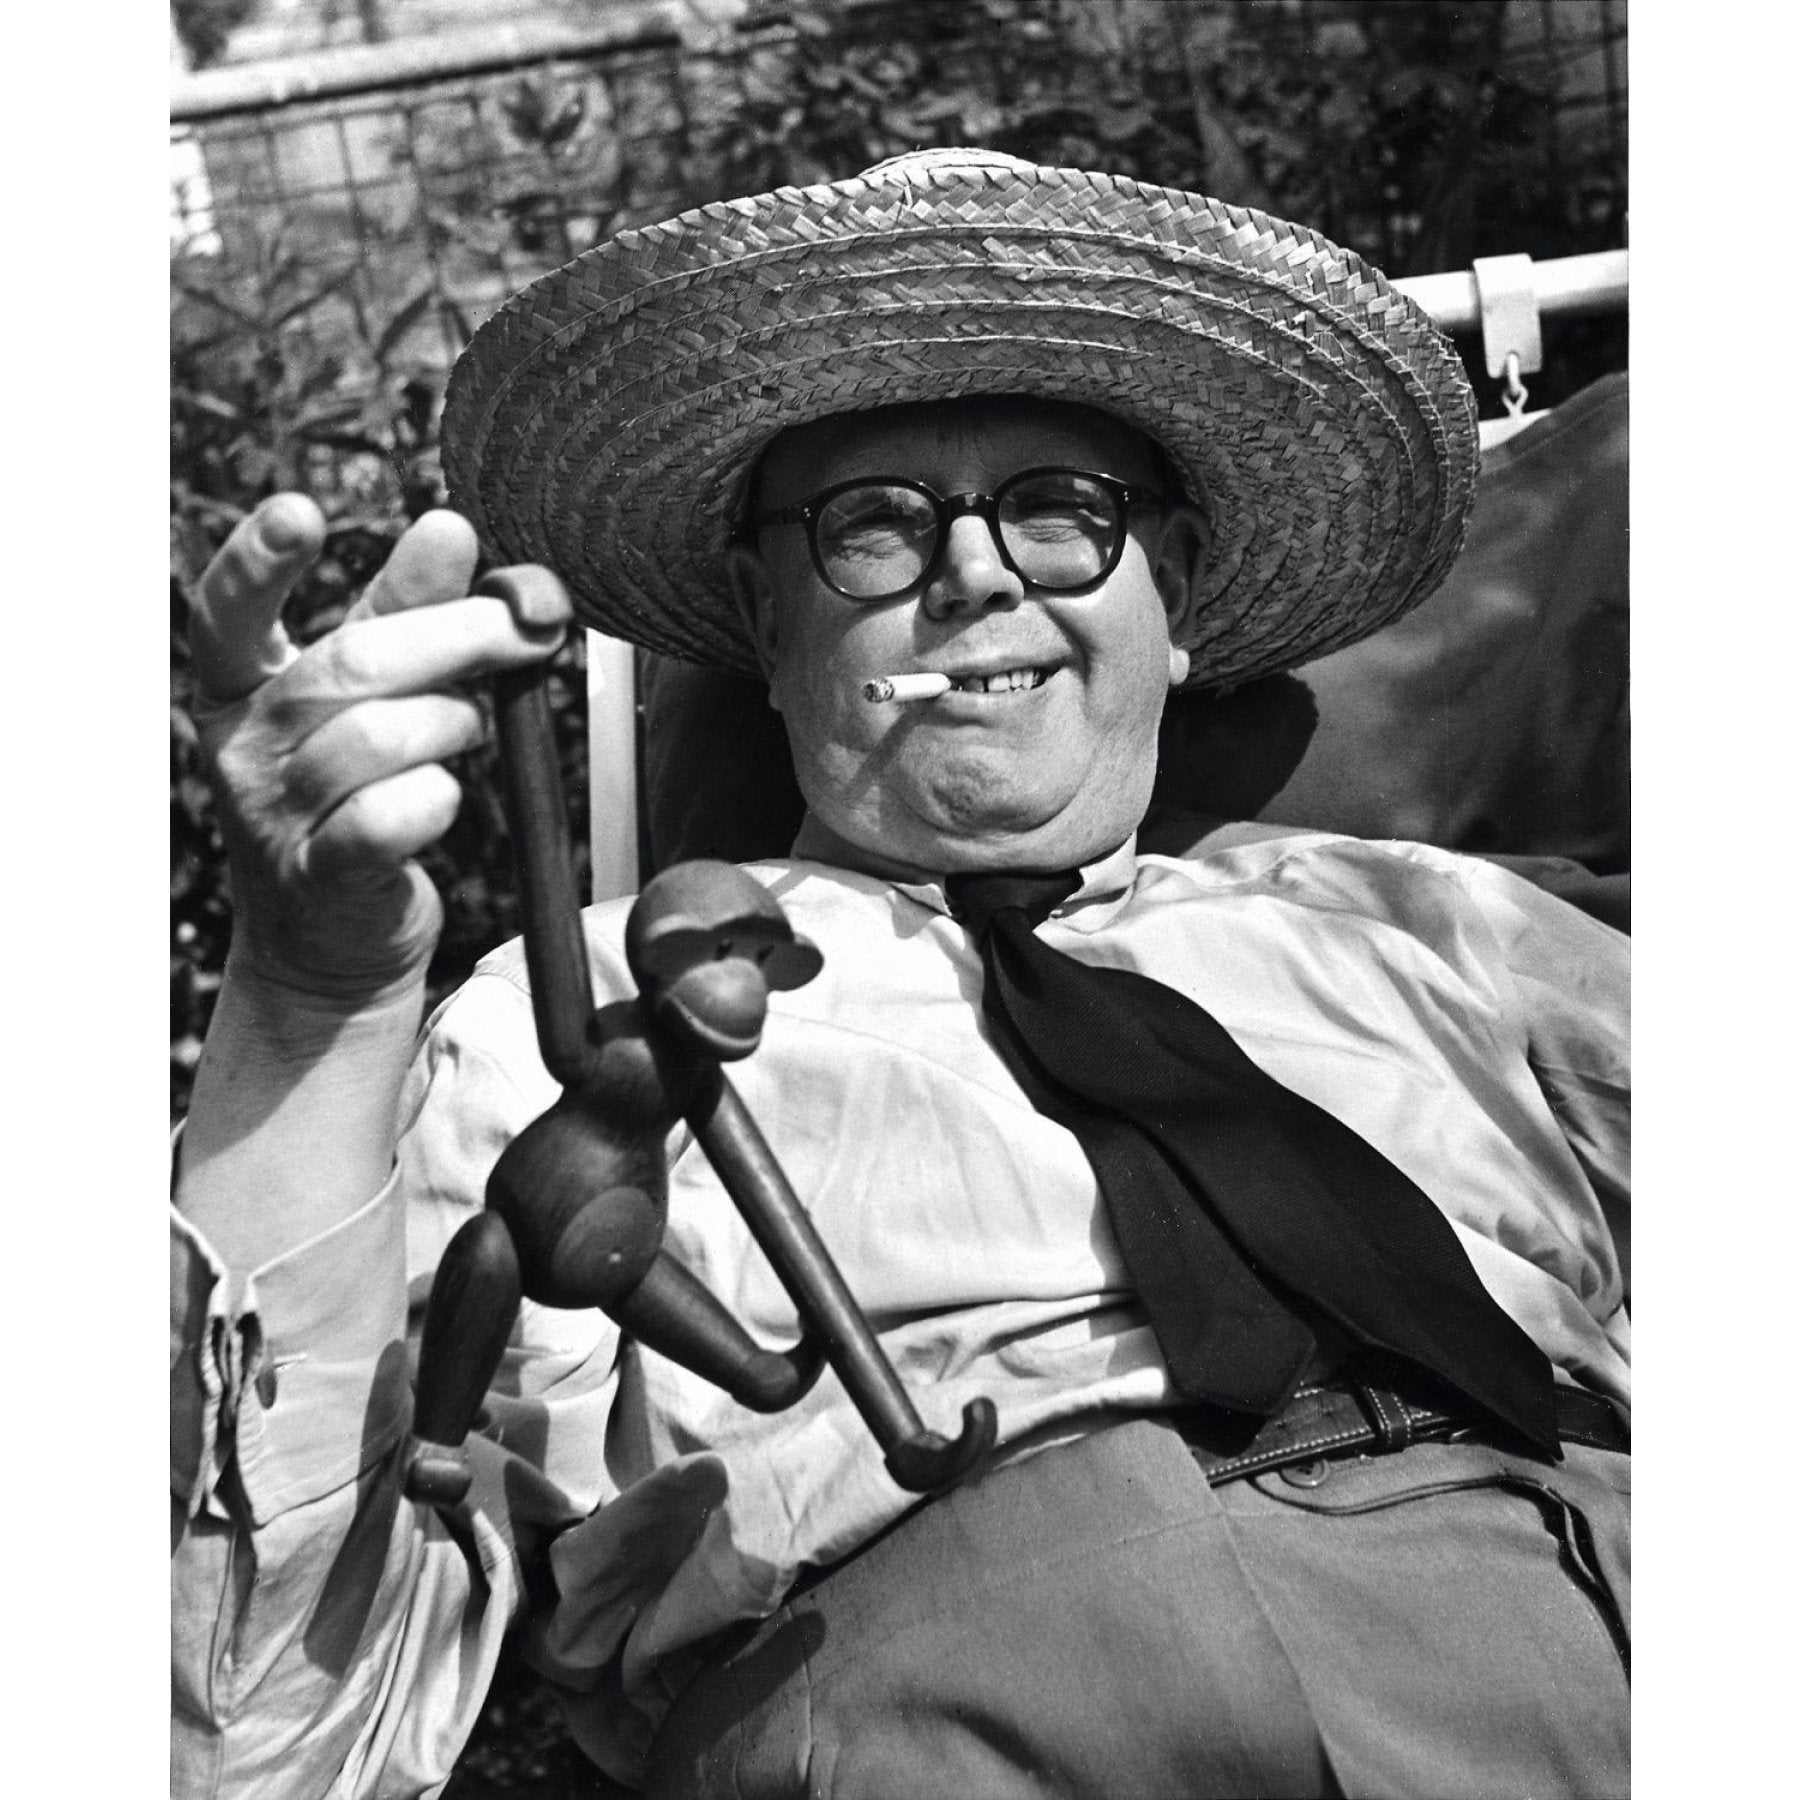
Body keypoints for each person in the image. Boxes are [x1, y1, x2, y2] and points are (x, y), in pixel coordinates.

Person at [171, 149, 1628, 1799]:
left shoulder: (1425, 924)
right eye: (874, 525)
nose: (979, 573)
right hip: (927, 1694)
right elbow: (258, 1742)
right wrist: (307, 1004)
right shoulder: (561, 1024)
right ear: (764, 620)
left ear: (1177, 594)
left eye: (1062, 511)